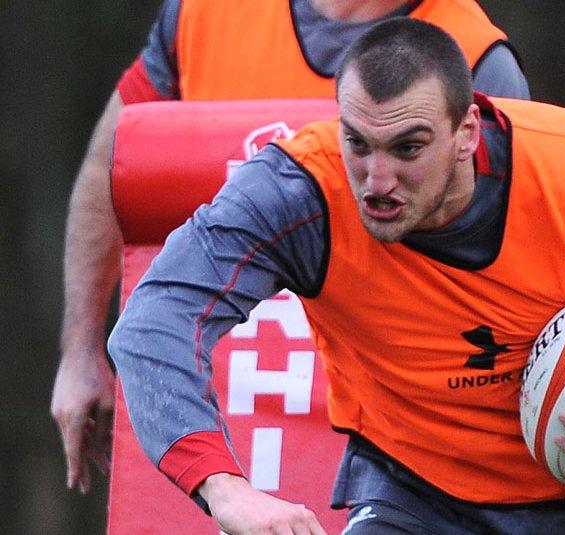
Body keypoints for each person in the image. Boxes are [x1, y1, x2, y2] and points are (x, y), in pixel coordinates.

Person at [109, 18, 565, 534]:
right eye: (357, 142)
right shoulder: (302, 191)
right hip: (415, 497)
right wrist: (228, 490)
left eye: (408, 148)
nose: (377, 178)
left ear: (466, 130)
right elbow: (154, 320)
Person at [51, 0, 529, 496]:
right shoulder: (205, 13)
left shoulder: (475, 54)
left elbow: (505, 267)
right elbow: (112, 166)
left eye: (406, 146)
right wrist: (81, 349)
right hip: (207, 382)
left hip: (394, 423)